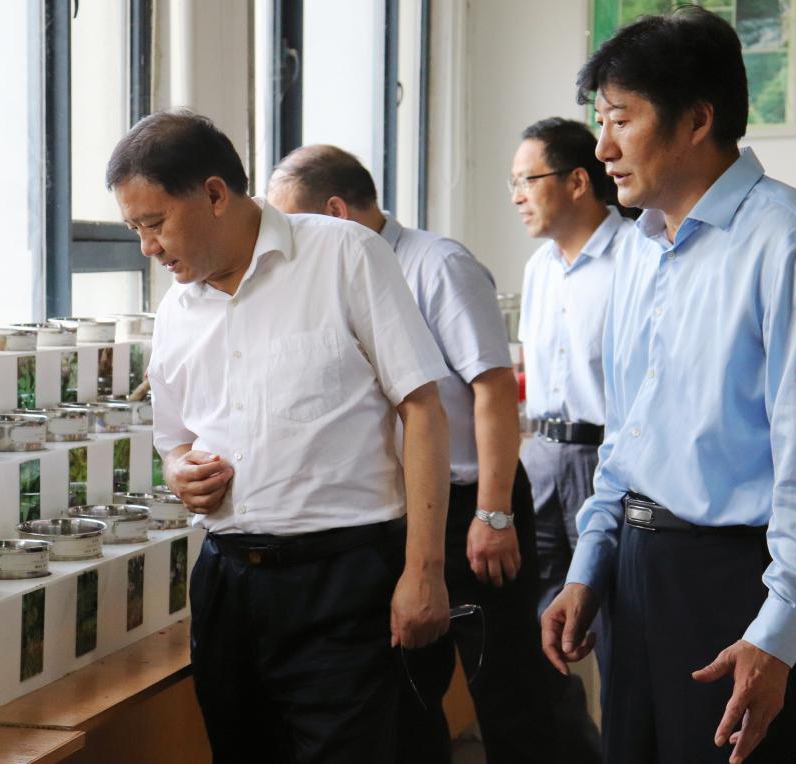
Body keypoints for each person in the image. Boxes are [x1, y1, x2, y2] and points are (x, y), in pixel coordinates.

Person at [106, 110, 453, 763]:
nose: (147, 248)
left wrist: (424, 571)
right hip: (228, 583)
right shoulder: (177, 309)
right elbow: (174, 440)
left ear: (214, 194)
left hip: (345, 580)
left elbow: (423, 409)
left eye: (154, 224)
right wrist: (180, 471)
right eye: (135, 231)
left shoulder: (343, 254)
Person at [267, 145, 600, 763]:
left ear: (335, 212)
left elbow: (494, 388)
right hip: (397, 512)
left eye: (293, 224)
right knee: (408, 692)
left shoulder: (437, 264)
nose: (284, 242)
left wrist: (494, 513)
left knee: (510, 685)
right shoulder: (330, 278)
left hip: (473, 504)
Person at [541, 7, 796, 763]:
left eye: (621, 119)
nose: (602, 147)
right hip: (635, 570)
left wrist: (778, 627)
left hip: (736, 582)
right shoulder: (637, 248)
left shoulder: (780, 241)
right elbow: (625, 437)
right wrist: (590, 564)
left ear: (697, 120)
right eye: (600, 121)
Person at [513, 118, 630, 620]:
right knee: (535, 614)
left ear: (578, 181)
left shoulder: (636, 255)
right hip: (540, 456)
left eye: (527, 180)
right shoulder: (538, 267)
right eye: (513, 183)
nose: (517, 196)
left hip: (604, 459)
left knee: (610, 610)